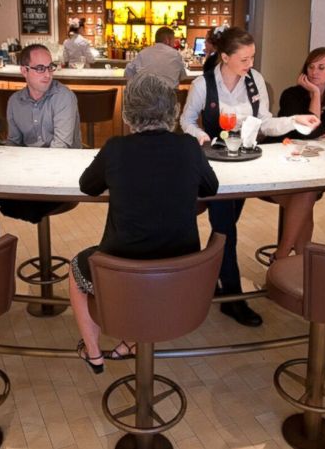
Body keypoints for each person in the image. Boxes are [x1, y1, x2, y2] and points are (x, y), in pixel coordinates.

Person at [70, 74, 218, 372]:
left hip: (122, 268)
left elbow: (88, 185)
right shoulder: (189, 147)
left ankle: (94, 351)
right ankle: (131, 342)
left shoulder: (115, 148)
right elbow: (210, 188)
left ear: (129, 113)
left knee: (76, 268)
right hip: (182, 269)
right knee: (145, 265)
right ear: (171, 112)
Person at [180, 27, 319, 326]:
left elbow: (265, 123)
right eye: (244, 59)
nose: (250, 65)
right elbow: (186, 120)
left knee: (226, 227)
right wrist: (201, 134)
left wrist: (294, 120)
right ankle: (231, 297)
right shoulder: (203, 85)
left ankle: (210, 277)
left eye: (253, 57)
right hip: (215, 166)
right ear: (225, 57)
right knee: (226, 228)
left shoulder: (255, 82)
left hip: (246, 162)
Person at [0, 44, 82, 244]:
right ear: (24, 71)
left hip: (61, 177)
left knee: (24, 207)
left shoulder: (64, 97)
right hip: (29, 176)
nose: (47, 74)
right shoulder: (14, 102)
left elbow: (60, 150)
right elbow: (14, 144)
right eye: (39, 68)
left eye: (50, 67)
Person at [271, 47, 325, 259]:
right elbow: (310, 132)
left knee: (306, 194)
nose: (314, 72)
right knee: (306, 195)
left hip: (308, 166)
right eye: (311, 66)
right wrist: (315, 94)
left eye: (321, 67)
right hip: (279, 164)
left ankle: (292, 262)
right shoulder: (291, 95)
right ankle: (287, 258)